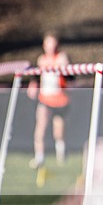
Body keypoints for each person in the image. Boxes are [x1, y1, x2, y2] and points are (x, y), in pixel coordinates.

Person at [27, 31, 69, 169]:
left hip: (59, 99)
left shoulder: (62, 58)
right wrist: (33, 84)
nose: (50, 46)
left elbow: (69, 76)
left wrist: (65, 67)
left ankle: (60, 157)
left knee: (59, 132)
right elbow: (37, 77)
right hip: (45, 98)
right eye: (48, 43)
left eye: (53, 43)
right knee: (40, 129)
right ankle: (39, 158)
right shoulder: (41, 60)